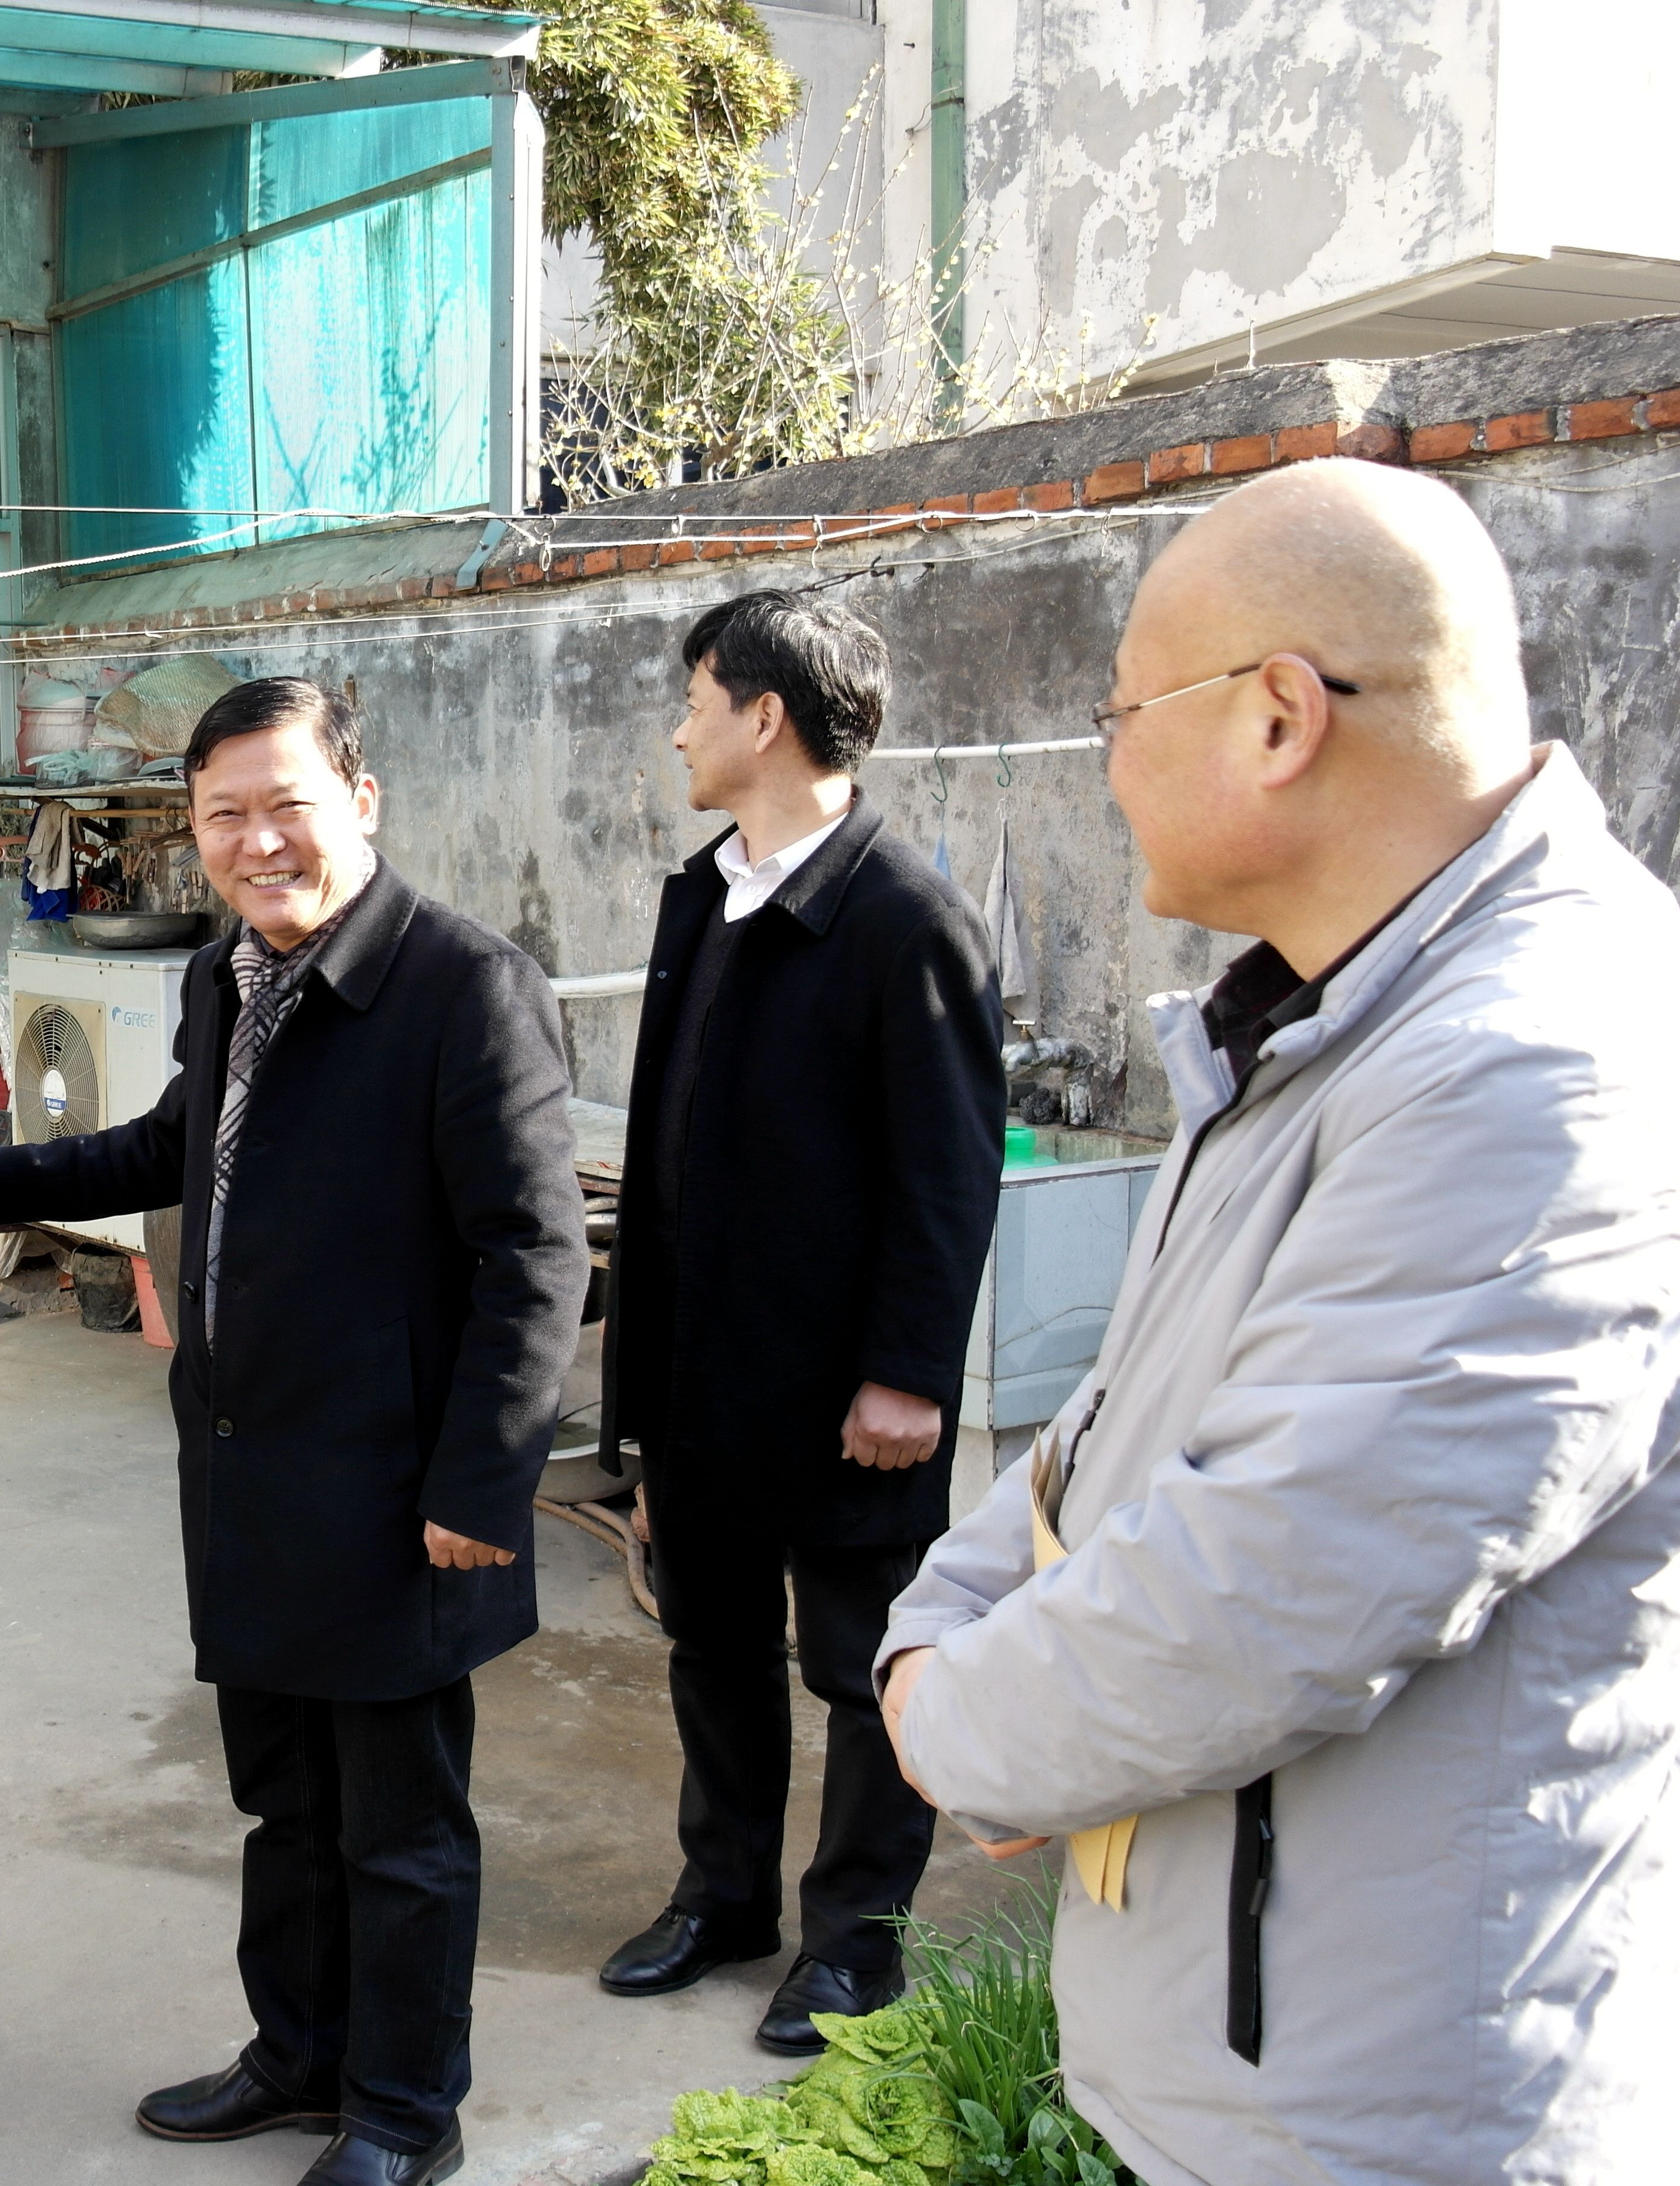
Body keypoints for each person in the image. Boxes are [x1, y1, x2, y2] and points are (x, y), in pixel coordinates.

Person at [877, 459, 1680, 2184]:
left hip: (1391, 2109)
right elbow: (1110, 1440)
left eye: (1123, 713)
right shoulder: (1325, 1024)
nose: (1108, 762)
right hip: (1258, 2059)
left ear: (1278, 718)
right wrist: (937, 1631)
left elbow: (1267, 1591)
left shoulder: (1532, 1062)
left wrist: (955, 1724)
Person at [0, 677, 589, 2186]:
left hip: (396, 1487)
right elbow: (176, 1146)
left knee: (399, 1826)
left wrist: (481, 1481)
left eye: (287, 805)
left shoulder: (464, 986)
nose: (256, 842)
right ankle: (299, 2059)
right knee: (283, 1801)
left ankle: (406, 2112)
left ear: (360, 801)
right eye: (223, 815)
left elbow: (534, 1255)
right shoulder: (230, 976)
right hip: (248, 1463)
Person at [592, 591, 1005, 2052]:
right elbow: (665, 1155)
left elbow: (947, 1174)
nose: (680, 730)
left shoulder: (905, 919)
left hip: (843, 1392)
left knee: (862, 1666)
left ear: (764, 718)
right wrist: (637, 1388)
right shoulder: (704, 896)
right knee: (709, 1644)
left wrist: (909, 1375)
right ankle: (724, 1899)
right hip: (705, 1375)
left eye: (696, 701)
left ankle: (856, 1942)